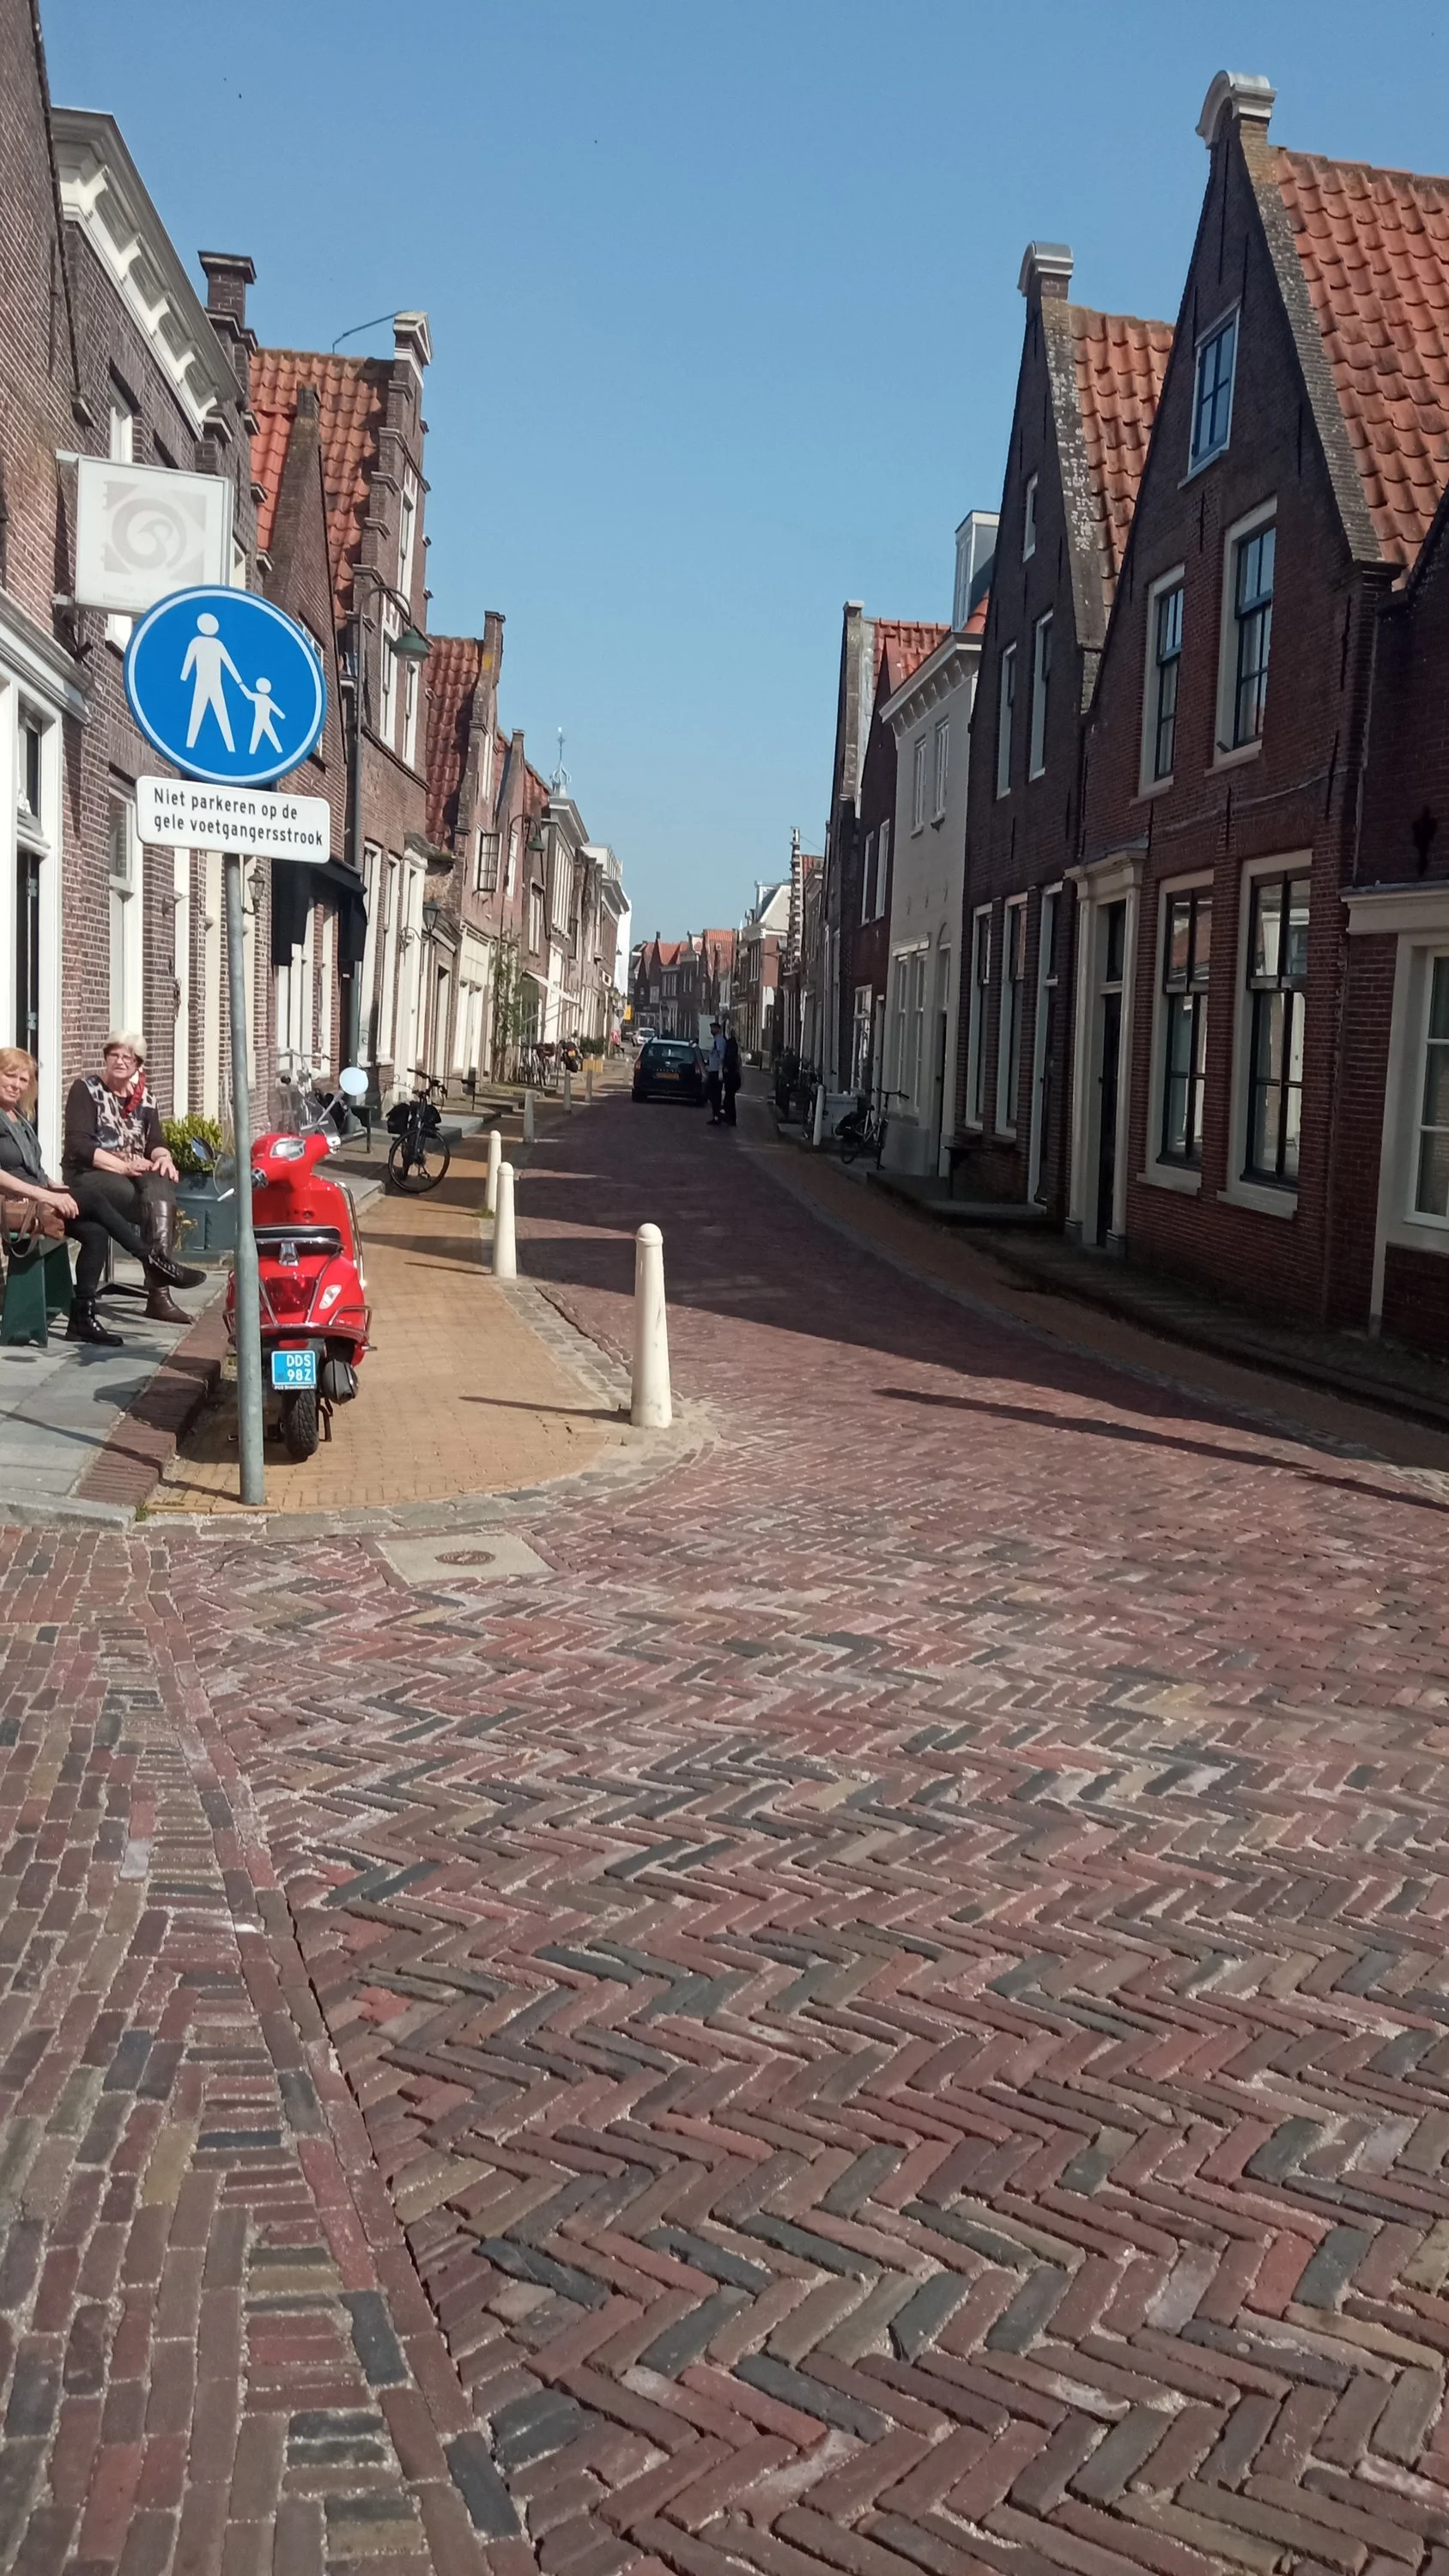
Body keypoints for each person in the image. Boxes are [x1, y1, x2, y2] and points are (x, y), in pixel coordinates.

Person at [0, 1048, 192, 1347]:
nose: (16, 1085)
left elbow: (31, 1168)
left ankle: (83, 1319)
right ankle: (151, 1259)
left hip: (38, 1198)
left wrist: (52, 1187)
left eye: (23, 1080)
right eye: (9, 1076)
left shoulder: (18, 1116)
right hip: (16, 1206)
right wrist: (46, 1195)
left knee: (96, 1232)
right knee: (92, 1197)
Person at [61, 1033, 205, 1332]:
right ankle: (160, 1286)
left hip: (135, 1170)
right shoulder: (85, 1090)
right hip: (90, 1173)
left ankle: (159, 1289)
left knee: (161, 1183)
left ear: (138, 1064)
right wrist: (124, 1166)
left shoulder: (146, 1098)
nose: (120, 1061)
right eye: (114, 1054)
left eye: (127, 1057)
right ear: (105, 1057)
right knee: (144, 1203)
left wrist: (164, 1158)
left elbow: (155, 1142)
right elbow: (79, 1147)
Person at [705, 1021, 725, 1125]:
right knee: (711, 1093)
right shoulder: (716, 1041)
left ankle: (718, 1114)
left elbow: (721, 1056)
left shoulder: (720, 1041)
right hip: (713, 1071)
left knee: (714, 1093)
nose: (711, 1030)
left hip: (716, 1072)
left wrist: (720, 1071)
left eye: (713, 1028)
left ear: (718, 1029)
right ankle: (717, 1114)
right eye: (711, 1028)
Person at [721, 1024, 742, 1127]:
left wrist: (726, 1068)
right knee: (729, 1097)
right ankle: (729, 1117)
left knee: (729, 1097)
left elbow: (729, 1058)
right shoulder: (733, 1044)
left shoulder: (730, 1044)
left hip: (731, 1076)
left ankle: (730, 1118)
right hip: (734, 1075)